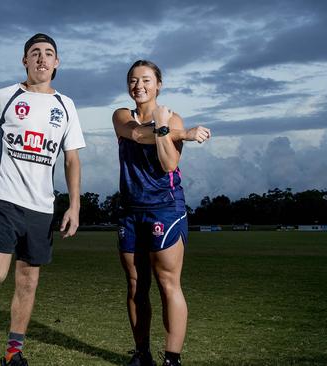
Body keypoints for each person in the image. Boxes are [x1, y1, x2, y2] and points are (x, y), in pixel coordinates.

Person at [0, 33, 85, 366]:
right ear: (24, 61)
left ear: (57, 63)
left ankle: (14, 354)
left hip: (42, 207)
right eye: (35, 53)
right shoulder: (5, 96)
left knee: (28, 281)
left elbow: (72, 159)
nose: (42, 59)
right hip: (2, 198)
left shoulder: (66, 106)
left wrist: (74, 204)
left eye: (48, 54)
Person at [112, 60, 211, 366]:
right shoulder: (121, 116)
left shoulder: (173, 118)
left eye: (145, 80)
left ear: (158, 84)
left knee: (168, 283)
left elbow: (168, 164)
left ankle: (172, 358)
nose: (138, 85)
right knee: (135, 284)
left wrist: (169, 128)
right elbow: (137, 135)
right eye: (133, 80)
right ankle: (142, 354)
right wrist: (176, 132)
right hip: (130, 210)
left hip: (165, 209)